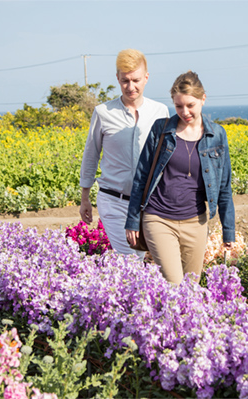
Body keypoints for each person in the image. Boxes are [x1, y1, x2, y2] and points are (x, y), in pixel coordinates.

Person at [125, 71, 235, 284]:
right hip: (158, 218)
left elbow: (224, 186)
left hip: (196, 222)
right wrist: (132, 219)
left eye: (190, 105)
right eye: (178, 106)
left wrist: (228, 231)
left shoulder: (217, 135)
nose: (184, 112)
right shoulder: (161, 129)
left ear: (203, 99)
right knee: (174, 284)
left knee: (191, 289)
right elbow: (141, 176)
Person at [79, 49, 169, 257]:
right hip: (114, 201)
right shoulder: (103, 112)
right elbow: (91, 155)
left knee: (151, 260)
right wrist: (85, 197)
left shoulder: (160, 112)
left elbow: (165, 159)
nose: (131, 87)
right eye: (125, 81)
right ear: (117, 79)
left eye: (136, 80)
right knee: (130, 259)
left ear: (146, 78)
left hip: (150, 203)